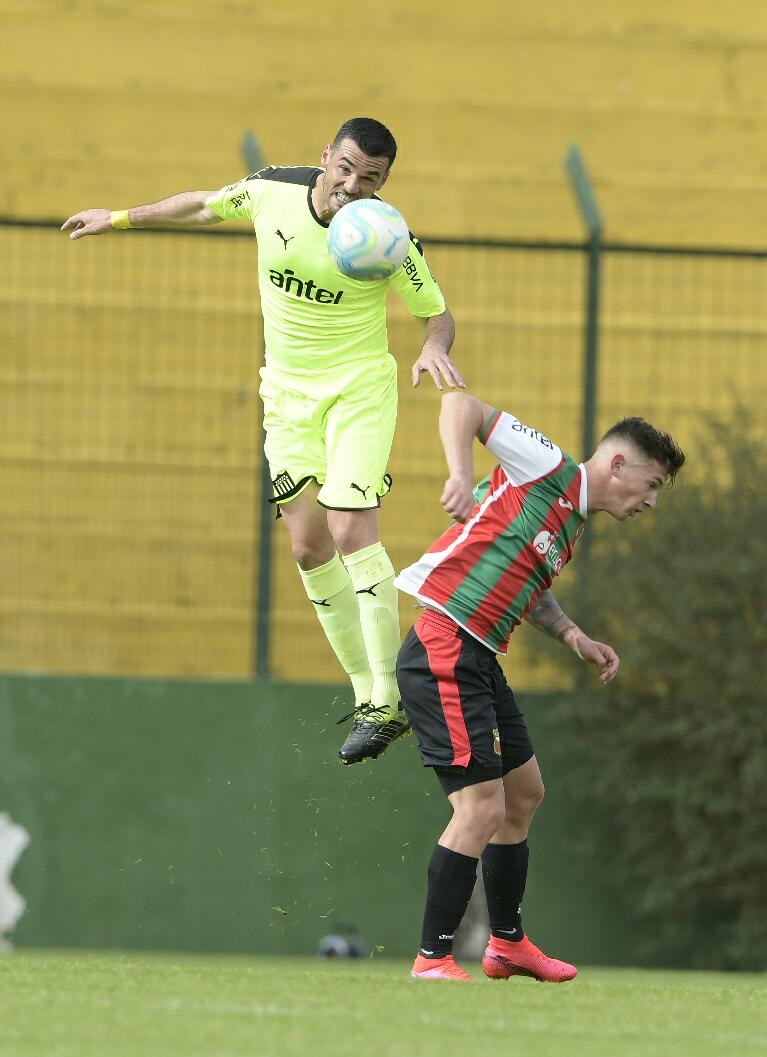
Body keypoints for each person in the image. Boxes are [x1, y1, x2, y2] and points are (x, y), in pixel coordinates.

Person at [61, 117, 463, 765]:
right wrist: (120, 216)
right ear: (325, 156)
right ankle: (369, 696)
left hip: (358, 390)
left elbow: (435, 312)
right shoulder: (272, 190)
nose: (352, 185)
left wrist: (431, 352)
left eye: (371, 178)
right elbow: (201, 205)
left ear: (384, 181)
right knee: (307, 545)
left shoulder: (385, 234)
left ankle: (389, 694)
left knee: (350, 528)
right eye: (346, 168)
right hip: (286, 396)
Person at [394, 390, 685, 980]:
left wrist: (574, 636)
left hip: (478, 656)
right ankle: (433, 957)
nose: (651, 502)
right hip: (444, 643)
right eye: (651, 485)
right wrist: (459, 472)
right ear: (618, 466)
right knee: (481, 807)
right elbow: (461, 405)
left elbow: (529, 582)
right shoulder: (547, 466)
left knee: (523, 795)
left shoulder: (569, 524)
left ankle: (505, 945)